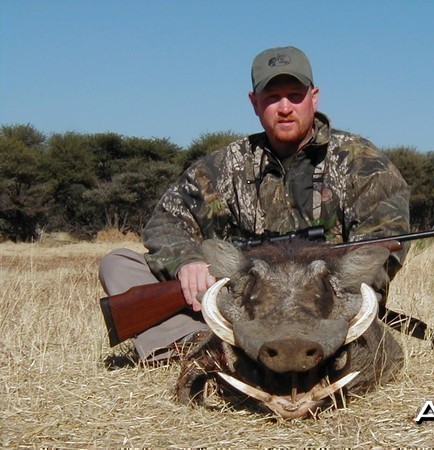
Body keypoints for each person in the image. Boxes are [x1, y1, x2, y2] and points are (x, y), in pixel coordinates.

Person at [99, 46, 411, 362]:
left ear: (314, 97)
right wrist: (186, 261)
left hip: (318, 303)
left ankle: (269, 347)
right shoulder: (225, 165)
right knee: (119, 264)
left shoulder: (363, 163)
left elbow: (381, 246)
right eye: (272, 97)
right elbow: (166, 219)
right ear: (254, 103)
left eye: (295, 95)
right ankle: (190, 343)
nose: (285, 107)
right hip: (242, 295)